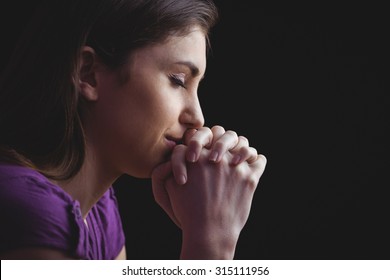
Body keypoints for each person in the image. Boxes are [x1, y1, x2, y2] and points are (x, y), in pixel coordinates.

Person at [0, 0, 267, 260]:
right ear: (88, 73)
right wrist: (212, 241)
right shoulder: (31, 212)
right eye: (178, 80)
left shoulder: (97, 210)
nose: (197, 118)